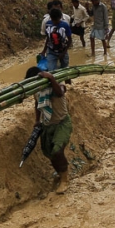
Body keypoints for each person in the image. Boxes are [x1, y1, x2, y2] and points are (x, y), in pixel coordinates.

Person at [29, 66, 72, 194]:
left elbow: (60, 92)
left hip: (62, 123)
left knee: (57, 150)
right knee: (49, 153)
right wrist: (37, 120)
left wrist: (51, 78)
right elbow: (37, 104)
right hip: (47, 124)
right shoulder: (37, 90)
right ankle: (60, 173)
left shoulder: (58, 86)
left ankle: (64, 180)